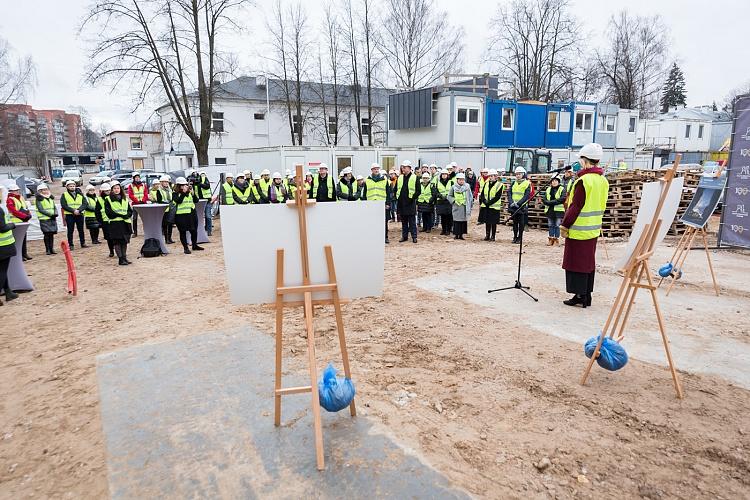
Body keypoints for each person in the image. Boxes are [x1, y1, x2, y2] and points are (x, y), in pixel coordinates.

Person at [561, 143, 609, 308]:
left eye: (581, 159)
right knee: (588, 263)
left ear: (585, 160)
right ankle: (585, 295)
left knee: (576, 264)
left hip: (579, 229)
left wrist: (565, 224)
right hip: (594, 228)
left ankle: (580, 295)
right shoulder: (602, 180)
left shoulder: (584, 181)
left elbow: (576, 206)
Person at [104, 181, 134, 265]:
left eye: (118, 188)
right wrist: (121, 215)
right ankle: (120, 259)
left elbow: (129, 211)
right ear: (111, 190)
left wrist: (127, 215)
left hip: (125, 222)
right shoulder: (108, 199)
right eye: (114, 188)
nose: (116, 190)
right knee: (117, 242)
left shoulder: (124, 199)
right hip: (115, 223)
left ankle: (124, 257)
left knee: (125, 241)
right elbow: (109, 213)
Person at [173, 177, 204, 254]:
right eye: (183, 185)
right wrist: (183, 193)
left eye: (186, 185)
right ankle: (185, 248)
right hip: (181, 215)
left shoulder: (189, 192)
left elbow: (196, 201)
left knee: (194, 231)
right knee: (182, 232)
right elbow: (178, 201)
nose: (185, 186)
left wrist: (192, 193)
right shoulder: (175, 193)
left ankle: (194, 245)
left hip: (192, 214)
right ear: (178, 186)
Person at [362, 163, 391, 243]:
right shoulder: (367, 180)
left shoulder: (384, 179)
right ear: (371, 170)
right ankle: (373, 237)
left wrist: (388, 203)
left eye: (377, 168)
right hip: (370, 204)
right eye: (374, 169)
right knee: (372, 221)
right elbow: (364, 193)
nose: (376, 170)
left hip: (382, 204)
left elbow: (388, 193)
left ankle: (385, 237)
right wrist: (364, 203)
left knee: (384, 222)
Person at [0, 186, 18, 304]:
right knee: (2, 270)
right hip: (3, 245)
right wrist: (12, 225)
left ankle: (8, 292)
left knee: (2, 270)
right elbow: (2, 228)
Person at [396, 160, 421, 243]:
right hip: (401, 202)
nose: (403, 169)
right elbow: (396, 189)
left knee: (412, 221)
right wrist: (397, 198)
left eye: (405, 167)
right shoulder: (399, 178)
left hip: (410, 203)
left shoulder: (415, 177)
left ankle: (414, 237)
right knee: (404, 222)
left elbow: (418, 191)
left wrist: (412, 198)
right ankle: (404, 236)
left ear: (409, 168)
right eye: (402, 167)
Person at [6, 183, 32, 260]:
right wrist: (24, 216)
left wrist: (29, 214)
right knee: (18, 239)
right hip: (16, 221)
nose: (17, 191)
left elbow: (25, 207)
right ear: (11, 191)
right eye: (16, 190)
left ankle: (24, 253)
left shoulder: (20, 197)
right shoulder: (9, 199)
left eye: (17, 190)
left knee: (24, 238)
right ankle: (20, 256)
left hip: (23, 220)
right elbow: (13, 211)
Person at [60, 179, 88, 250]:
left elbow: (85, 203)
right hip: (70, 215)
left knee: (81, 229)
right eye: (70, 186)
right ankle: (71, 244)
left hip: (79, 214)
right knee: (70, 230)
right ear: (67, 187)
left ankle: (83, 243)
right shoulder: (64, 195)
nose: (72, 187)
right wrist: (73, 211)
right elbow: (64, 205)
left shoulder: (80, 194)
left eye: (73, 186)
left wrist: (79, 210)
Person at [508, 166, 531, 244]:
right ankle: (515, 237)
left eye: (519, 174)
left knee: (521, 223)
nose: (518, 175)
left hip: (522, 207)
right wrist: (511, 202)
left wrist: (519, 203)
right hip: (514, 206)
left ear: (523, 174)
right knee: (514, 223)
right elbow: (509, 193)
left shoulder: (527, 183)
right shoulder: (513, 182)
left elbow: (526, 195)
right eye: (516, 174)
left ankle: (520, 237)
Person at [479, 169, 504, 241]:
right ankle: (487, 235)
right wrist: (484, 201)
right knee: (487, 221)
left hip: (494, 207)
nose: (491, 177)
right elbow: (483, 194)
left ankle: (493, 236)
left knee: (493, 222)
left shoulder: (499, 185)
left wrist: (489, 202)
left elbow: (497, 196)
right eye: (490, 176)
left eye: (492, 176)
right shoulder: (486, 184)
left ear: (496, 176)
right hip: (486, 206)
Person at [35, 183, 59, 255]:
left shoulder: (50, 198)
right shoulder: (39, 199)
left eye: (46, 189)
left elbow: (54, 207)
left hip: (52, 218)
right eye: (43, 190)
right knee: (46, 234)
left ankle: (52, 248)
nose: (45, 191)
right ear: (40, 191)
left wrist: (55, 213)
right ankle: (47, 249)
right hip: (44, 219)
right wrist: (50, 214)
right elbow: (41, 209)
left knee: (51, 234)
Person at [447, 172, 473, 240]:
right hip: (456, 206)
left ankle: (461, 235)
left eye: (462, 180)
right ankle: (456, 235)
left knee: (463, 221)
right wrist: (454, 201)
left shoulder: (467, 187)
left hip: (464, 206)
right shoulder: (453, 187)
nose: (461, 181)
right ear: (457, 180)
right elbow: (449, 196)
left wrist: (470, 204)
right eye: (460, 180)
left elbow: (470, 196)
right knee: (456, 221)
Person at [542, 177, 566, 246]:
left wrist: (551, 202)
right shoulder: (548, 189)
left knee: (557, 225)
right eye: (552, 181)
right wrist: (548, 202)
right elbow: (544, 199)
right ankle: (551, 239)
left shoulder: (562, 189)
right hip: (550, 210)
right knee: (550, 225)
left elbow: (562, 199)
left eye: (555, 181)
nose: (554, 182)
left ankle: (556, 239)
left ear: (558, 182)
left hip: (558, 211)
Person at [95, 183, 115, 257]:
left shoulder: (113, 198)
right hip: (105, 221)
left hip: (114, 220)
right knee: (108, 237)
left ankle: (116, 249)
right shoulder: (99, 200)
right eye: (106, 191)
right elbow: (97, 212)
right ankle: (111, 251)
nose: (108, 192)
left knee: (115, 236)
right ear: (102, 191)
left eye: (109, 190)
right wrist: (100, 221)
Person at [127, 172, 149, 236]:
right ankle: (135, 232)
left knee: (145, 218)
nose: (137, 178)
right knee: (135, 218)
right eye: (136, 177)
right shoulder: (131, 186)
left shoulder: (143, 185)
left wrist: (143, 201)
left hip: (143, 204)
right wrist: (137, 201)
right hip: (136, 204)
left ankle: (146, 231)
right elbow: (131, 195)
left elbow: (146, 194)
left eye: (138, 177)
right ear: (133, 178)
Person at [154, 175, 174, 244]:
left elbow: (172, 198)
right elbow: (159, 200)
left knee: (170, 223)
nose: (166, 183)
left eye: (167, 182)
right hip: (164, 210)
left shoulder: (170, 189)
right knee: (165, 225)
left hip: (171, 208)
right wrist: (166, 203)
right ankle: (166, 239)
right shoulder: (159, 190)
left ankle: (170, 238)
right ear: (161, 183)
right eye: (164, 182)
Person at [192, 170, 213, 236]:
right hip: (199, 202)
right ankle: (200, 230)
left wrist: (199, 184)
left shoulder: (205, 180)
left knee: (208, 216)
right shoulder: (194, 182)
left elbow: (207, 186)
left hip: (207, 201)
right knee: (199, 217)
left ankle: (208, 230)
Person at [434, 169, 454, 235]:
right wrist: (440, 195)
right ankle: (443, 230)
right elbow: (435, 191)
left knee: (449, 216)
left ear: (447, 175)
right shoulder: (438, 182)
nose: (444, 175)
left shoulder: (451, 182)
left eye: (445, 174)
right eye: (443, 174)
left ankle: (448, 230)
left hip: (448, 201)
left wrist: (448, 197)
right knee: (442, 217)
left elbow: (453, 191)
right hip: (441, 201)